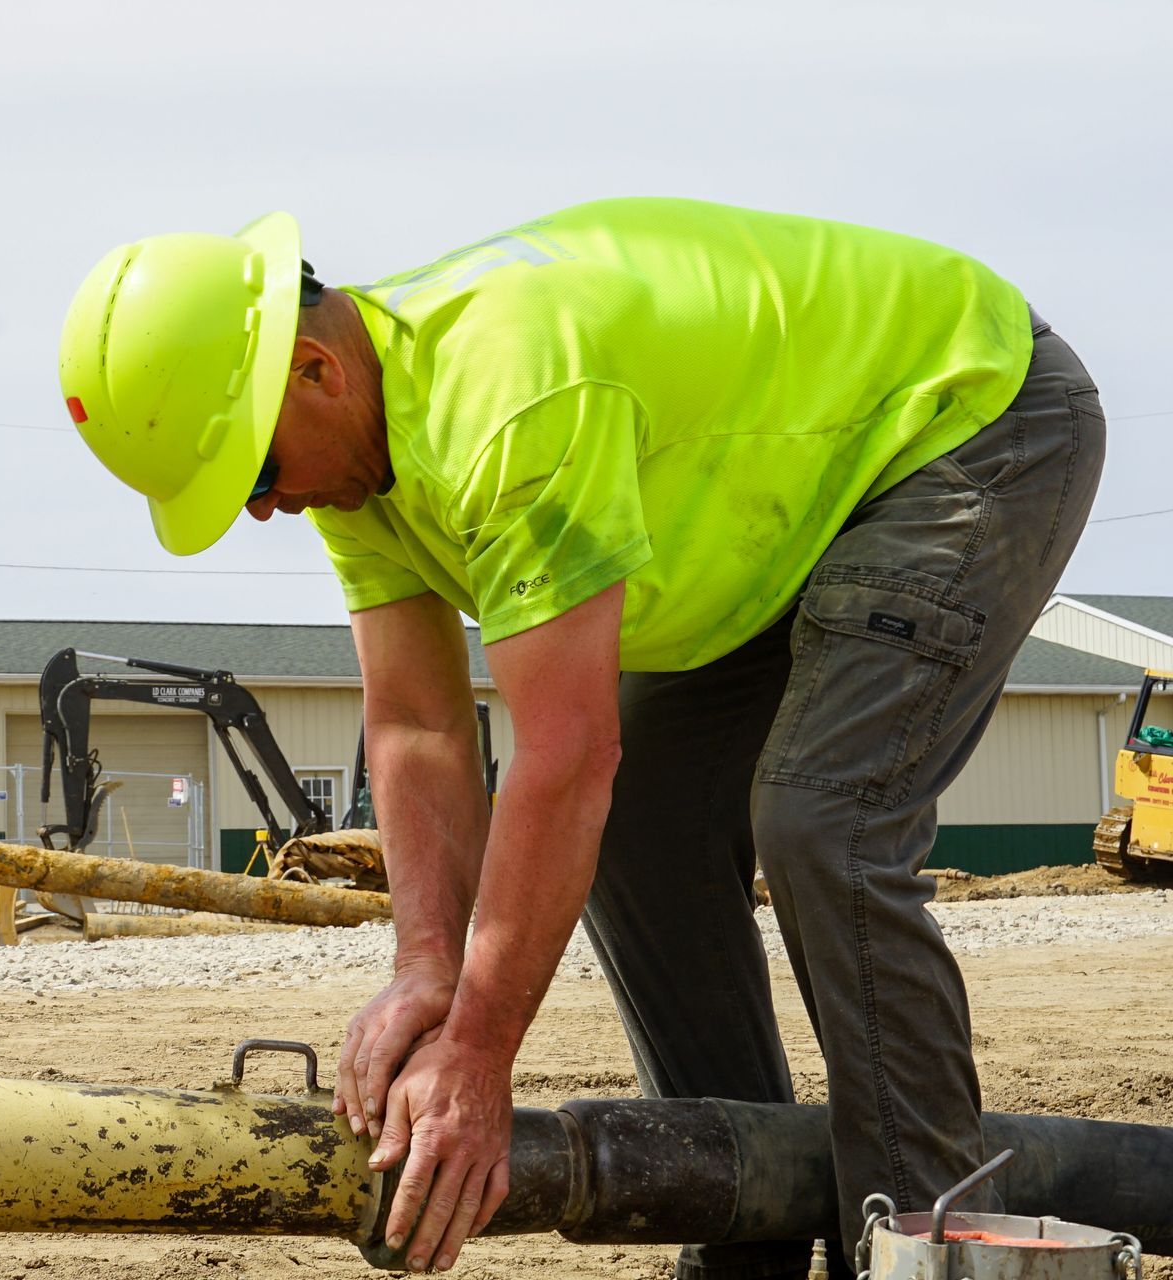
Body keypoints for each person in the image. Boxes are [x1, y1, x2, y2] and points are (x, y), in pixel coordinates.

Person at [57, 199, 1103, 1278]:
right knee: (641, 831)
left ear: (315, 370)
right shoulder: (363, 471)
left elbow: (565, 755)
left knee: (822, 816)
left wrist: (475, 1050)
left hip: (973, 421)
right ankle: (749, 1230)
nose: (267, 509)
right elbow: (417, 725)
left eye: (258, 474)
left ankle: (928, 1241)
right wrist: (428, 967)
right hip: (794, 519)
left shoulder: (507, 403)